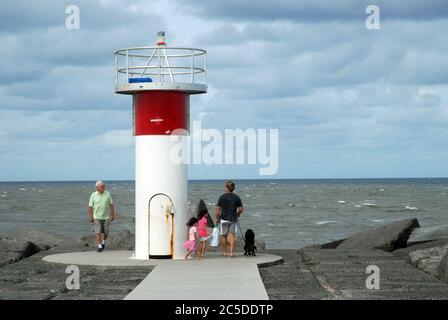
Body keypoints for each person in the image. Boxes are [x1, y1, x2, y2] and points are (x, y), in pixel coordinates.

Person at [216, 180, 244, 257]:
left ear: (226, 188)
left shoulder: (222, 197)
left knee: (224, 235)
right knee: (232, 235)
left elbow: (218, 210)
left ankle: (224, 253)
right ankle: (232, 253)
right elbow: (241, 209)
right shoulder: (237, 197)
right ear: (233, 188)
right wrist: (237, 214)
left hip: (223, 219)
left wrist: (217, 219)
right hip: (233, 219)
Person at [88, 180, 115, 252]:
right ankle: (99, 246)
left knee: (106, 233)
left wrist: (113, 215)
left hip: (106, 217)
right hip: (96, 217)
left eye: (104, 186)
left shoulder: (108, 193)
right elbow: (90, 206)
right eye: (102, 186)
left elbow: (111, 205)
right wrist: (91, 216)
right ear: (97, 188)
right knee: (98, 232)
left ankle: (103, 242)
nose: (104, 187)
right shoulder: (93, 195)